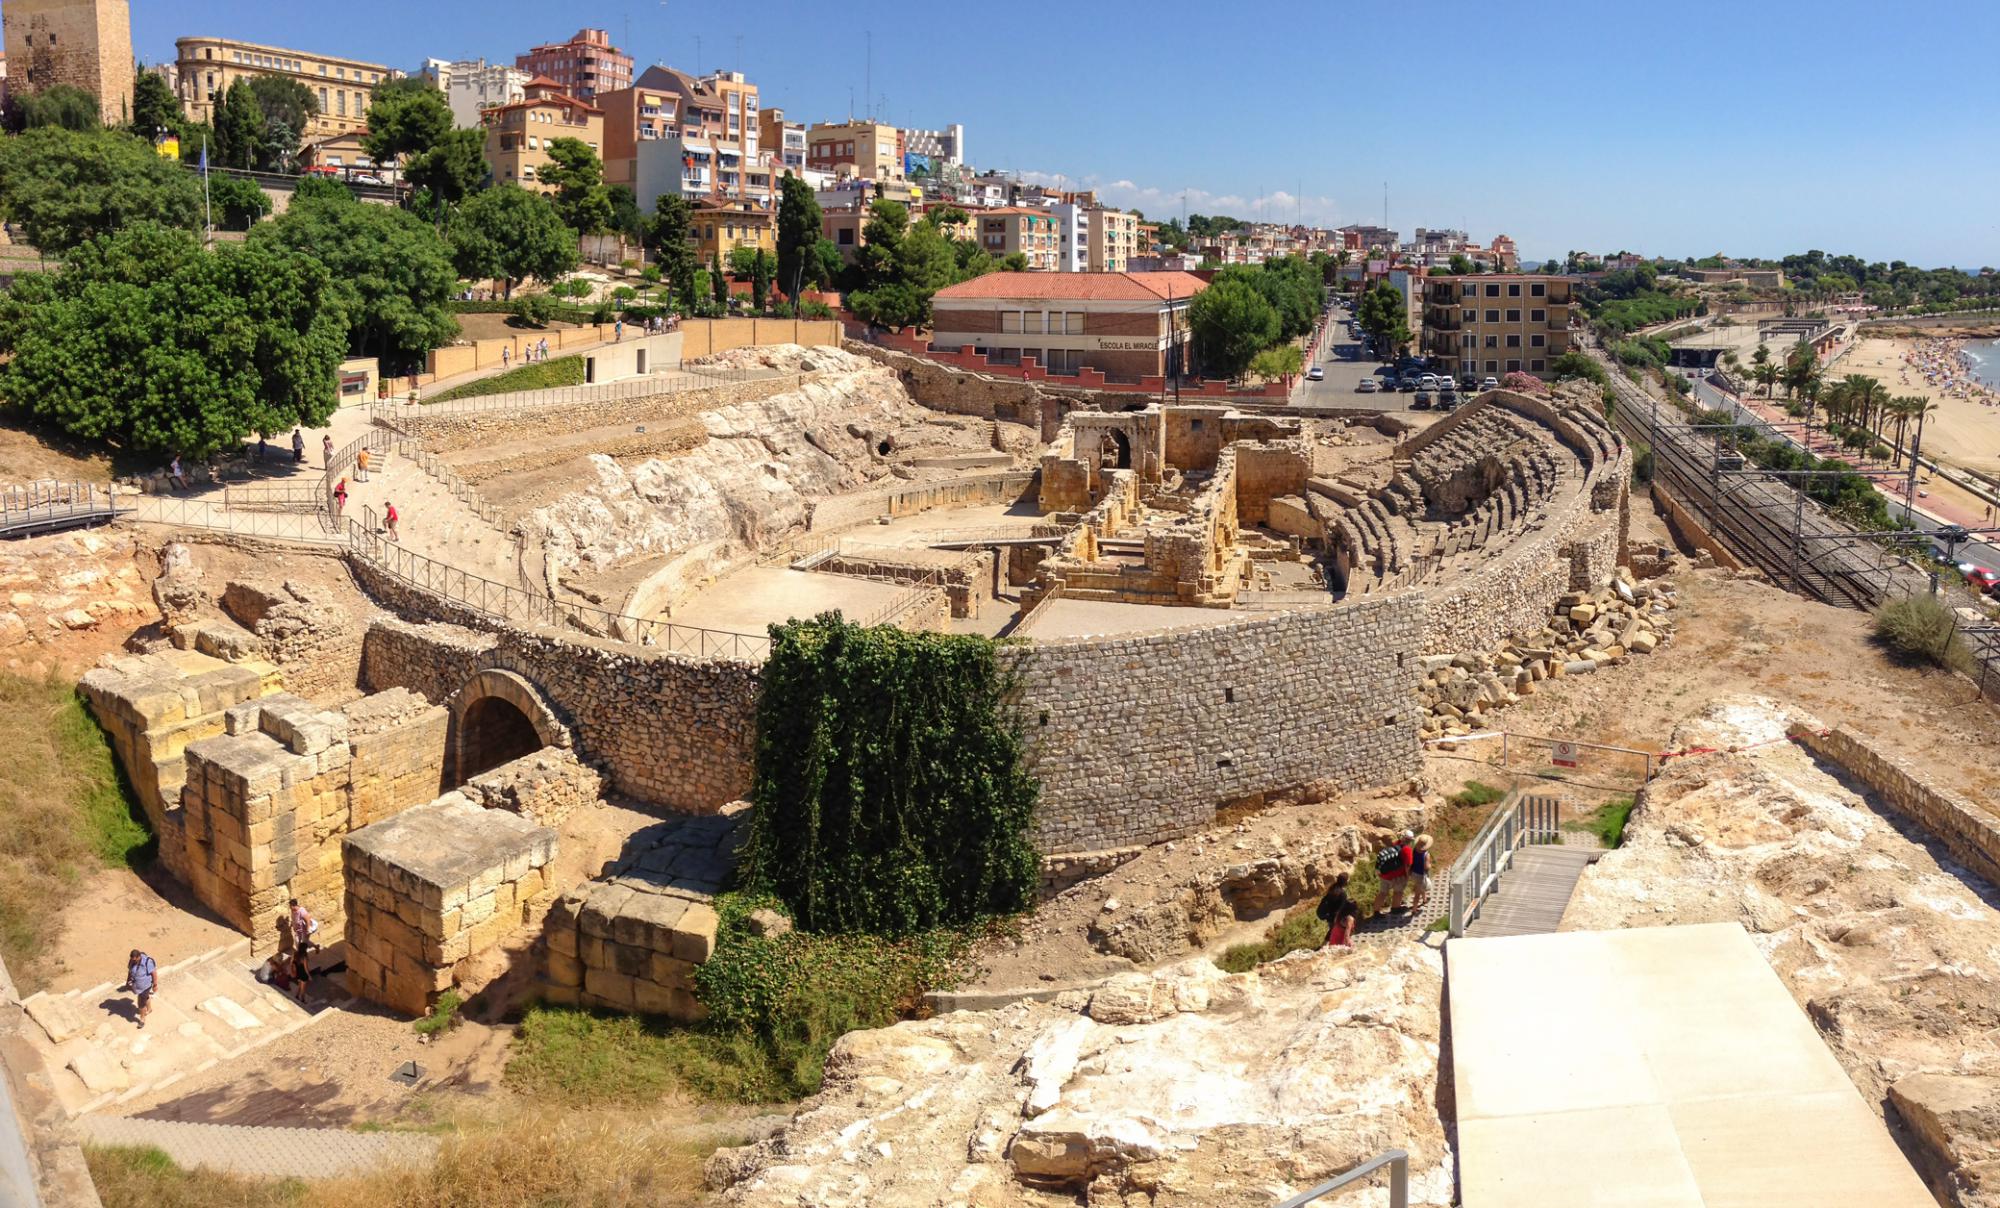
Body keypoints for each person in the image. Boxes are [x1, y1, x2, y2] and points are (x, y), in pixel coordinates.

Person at [1372, 831, 1415, 916]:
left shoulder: (1396, 843)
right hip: (1398, 876)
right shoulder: (1407, 849)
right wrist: (1408, 876)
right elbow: (1408, 865)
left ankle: (1376, 912)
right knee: (1398, 892)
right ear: (1410, 840)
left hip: (1384, 874)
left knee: (1382, 893)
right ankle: (1395, 908)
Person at [1316, 873, 1360, 948]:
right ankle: (1325, 946)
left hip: (1328, 914)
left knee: (1332, 930)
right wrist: (1337, 919)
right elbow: (1341, 908)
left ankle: (1325, 945)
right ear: (1345, 882)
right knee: (1333, 930)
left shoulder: (1333, 888)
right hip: (1334, 916)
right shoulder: (1342, 893)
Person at [124, 949, 159, 1029]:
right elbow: (130, 971)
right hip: (137, 986)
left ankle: (142, 1020)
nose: (134, 961)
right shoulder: (132, 961)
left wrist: (155, 985)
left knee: (141, 1004)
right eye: (133, 960)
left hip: (145, 986)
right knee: (145, 997)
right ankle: (149, 1009)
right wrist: (128, 981)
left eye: (136, 960)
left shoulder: (147, 962)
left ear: (139, 957)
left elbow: (154, 973)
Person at [1409, 833, 1434, 912]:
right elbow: (1426, 867)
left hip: (1413, 873)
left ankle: (1424, 899)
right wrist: (1430, 865)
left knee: (1420, 887)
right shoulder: (1426, 854)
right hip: (1421, 875)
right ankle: (1414, 909)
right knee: (1417, 894)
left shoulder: (1415, 850)